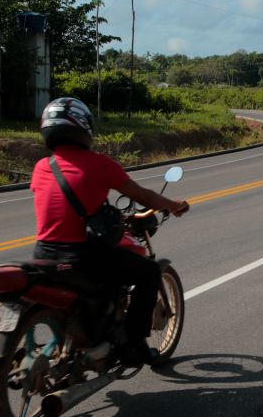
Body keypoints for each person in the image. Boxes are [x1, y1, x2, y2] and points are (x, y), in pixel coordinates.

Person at [30, 97, 189, 365]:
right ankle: (135, 345)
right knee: (149, 272)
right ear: (83, 127)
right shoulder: (99, 164)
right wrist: (172, 205)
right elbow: (140, 194)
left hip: (43, 252)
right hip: (80, 256)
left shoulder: (42, 167)